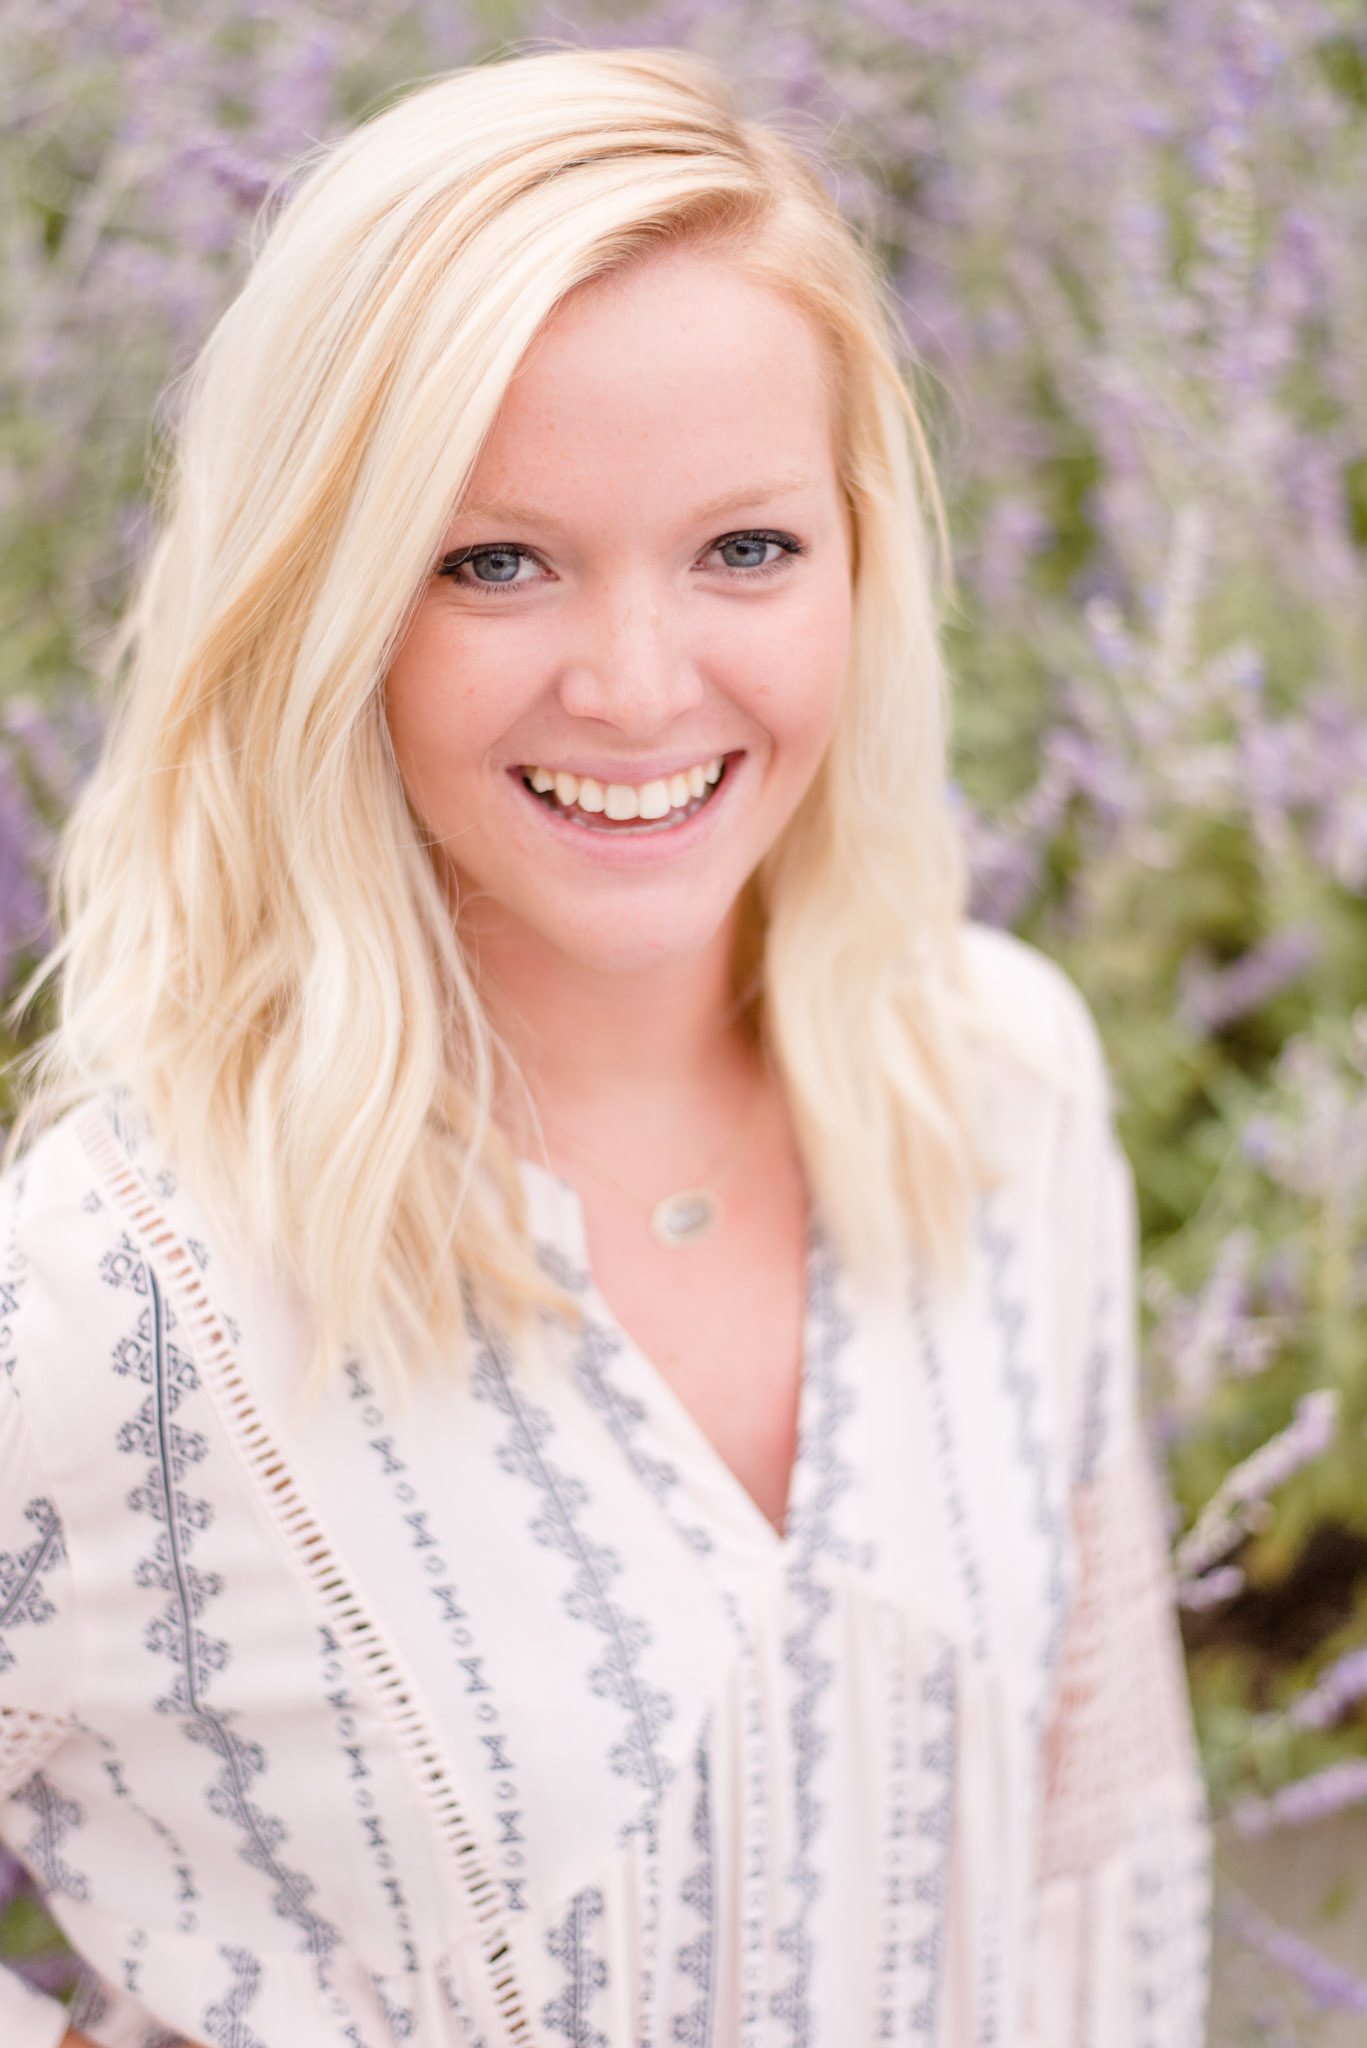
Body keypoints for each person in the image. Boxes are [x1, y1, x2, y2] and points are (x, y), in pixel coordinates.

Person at [0, 46, 1210, 2048]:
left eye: (745, 549)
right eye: (492, 560)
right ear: (320, 602)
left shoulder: (1004, 1082)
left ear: (860, 564)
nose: (640, 686)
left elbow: (1108, 1849)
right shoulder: (125, 1288)